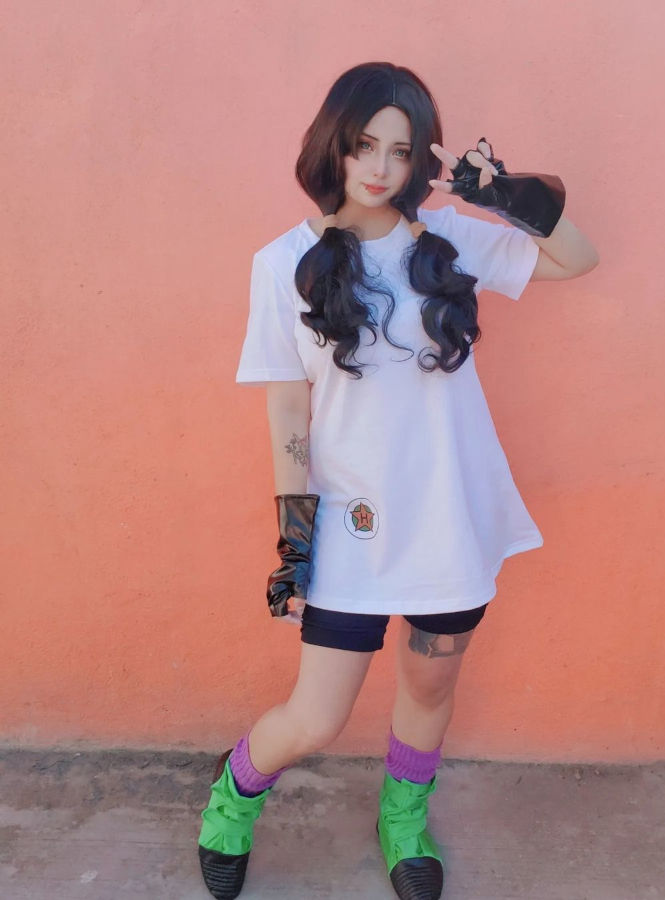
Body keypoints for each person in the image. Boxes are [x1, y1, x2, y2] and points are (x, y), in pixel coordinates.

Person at [197, 61, 599, 900]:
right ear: (332, 146)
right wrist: (294, 546)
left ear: (421, 160)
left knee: (430, 680)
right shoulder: (284, 263)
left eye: (401, 150)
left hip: (449, 516)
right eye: (363, 145)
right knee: (316, 717)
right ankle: (233, 796)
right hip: (351, 522)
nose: (380, 167)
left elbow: (577, 258)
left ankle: (403, 817)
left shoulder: (447, 241)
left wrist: (507, 197)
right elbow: (289, 414)